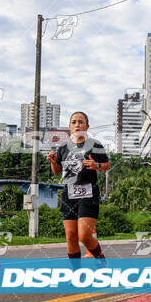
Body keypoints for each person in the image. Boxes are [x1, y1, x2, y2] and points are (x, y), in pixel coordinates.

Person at [47, 111, 110, 266]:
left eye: (81, 122)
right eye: (74, 122)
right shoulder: (62, 147)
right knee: (70, 236)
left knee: (84, 235)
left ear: (87, 126)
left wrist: (97, 166)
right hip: (69, 194)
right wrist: (54, 162)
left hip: (88, 194)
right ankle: (77, 272)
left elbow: (107, 165)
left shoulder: (95, 145)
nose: (77, 125)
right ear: (69, 127)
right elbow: (56, 172)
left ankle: (101, 261)